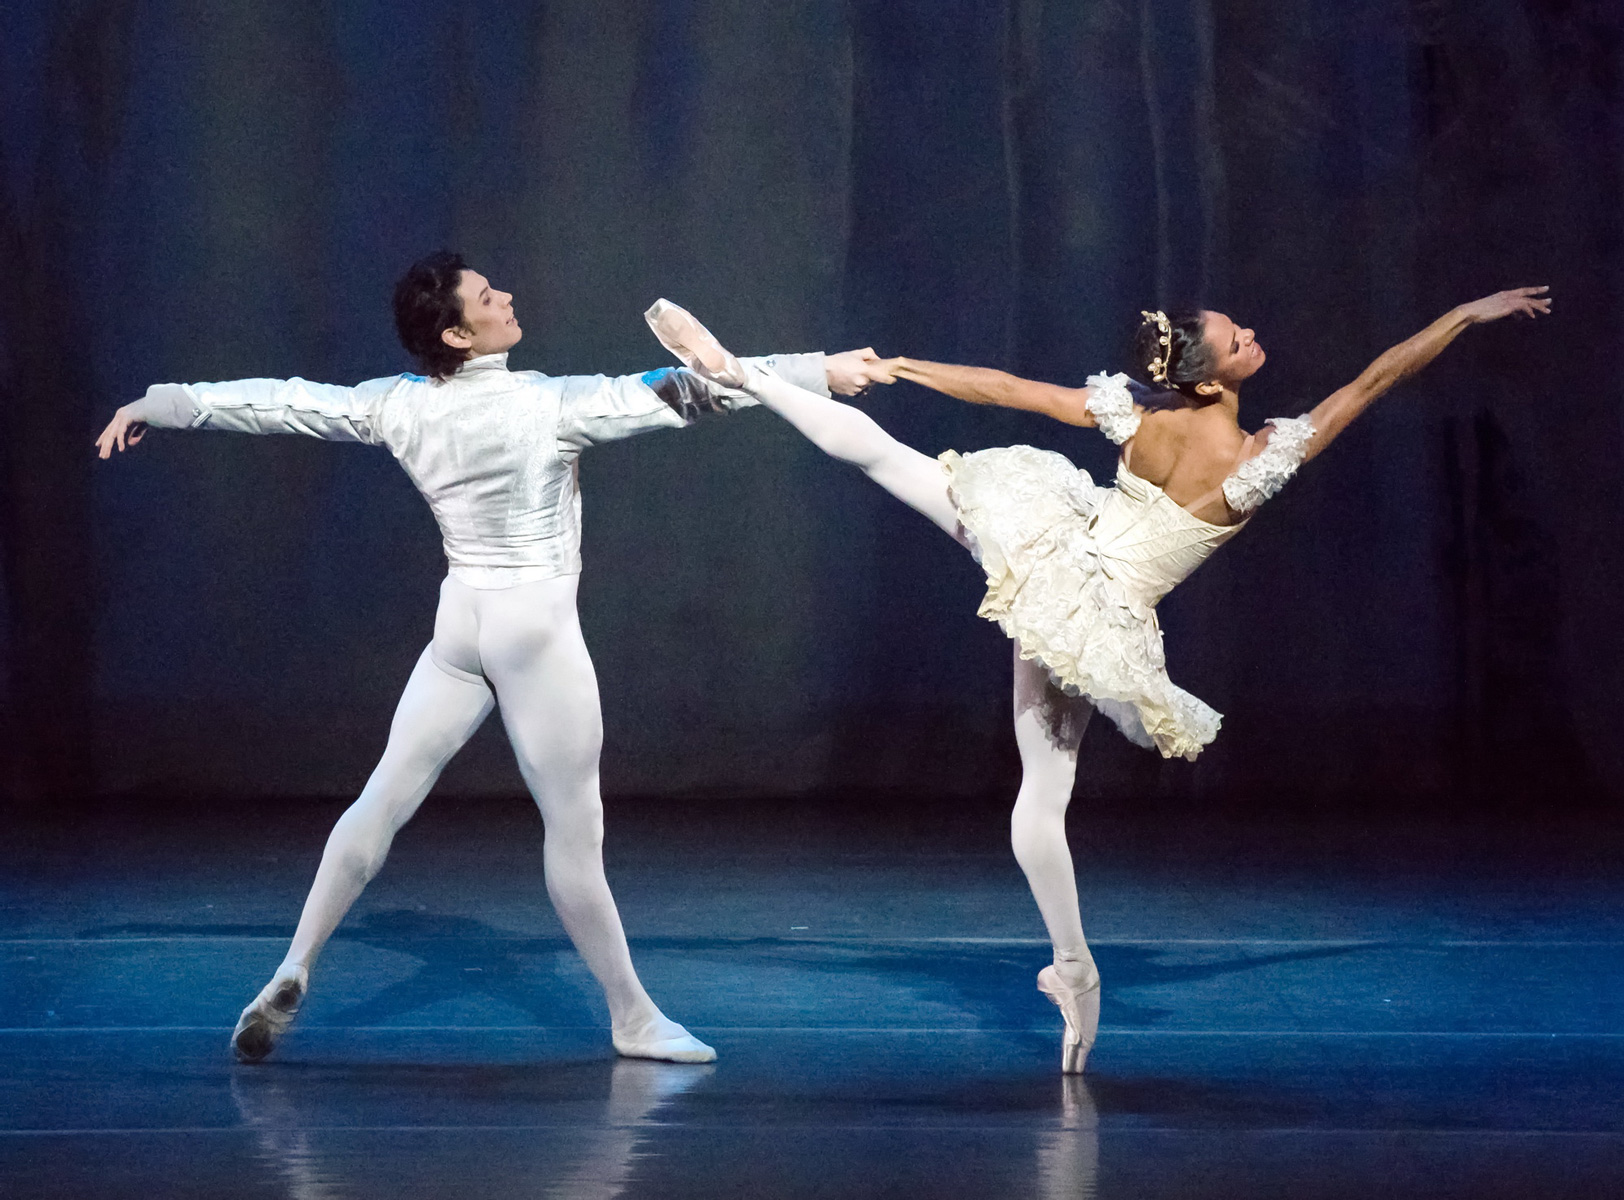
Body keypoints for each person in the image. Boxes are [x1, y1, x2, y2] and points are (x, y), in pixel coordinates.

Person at [642, 287, 1552, 1073]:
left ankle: (746, 375)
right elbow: (1376, 379)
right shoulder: (1261, 455)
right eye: (1237, 339)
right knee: (1044, 793)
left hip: (1052, 551)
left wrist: (902, 365)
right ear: (1208, 377)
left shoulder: (1145, 419)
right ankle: (1074, 968)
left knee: (895, 463)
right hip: (1089, 609)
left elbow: (1006, 390)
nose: (1251, 339)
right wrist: (1464, 317)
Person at [95, 251, 885, 1064]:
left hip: (460, 626)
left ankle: (296, 960)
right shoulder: (550, 406)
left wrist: (164, 403)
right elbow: (693, 386)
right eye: (485, 296)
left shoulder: (395, 407)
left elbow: (283, 403)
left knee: (382, 798)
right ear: (456, 334)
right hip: (532, 630)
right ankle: (633, 1017)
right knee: (576, 834)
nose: (505, 296)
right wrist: (816, 371)